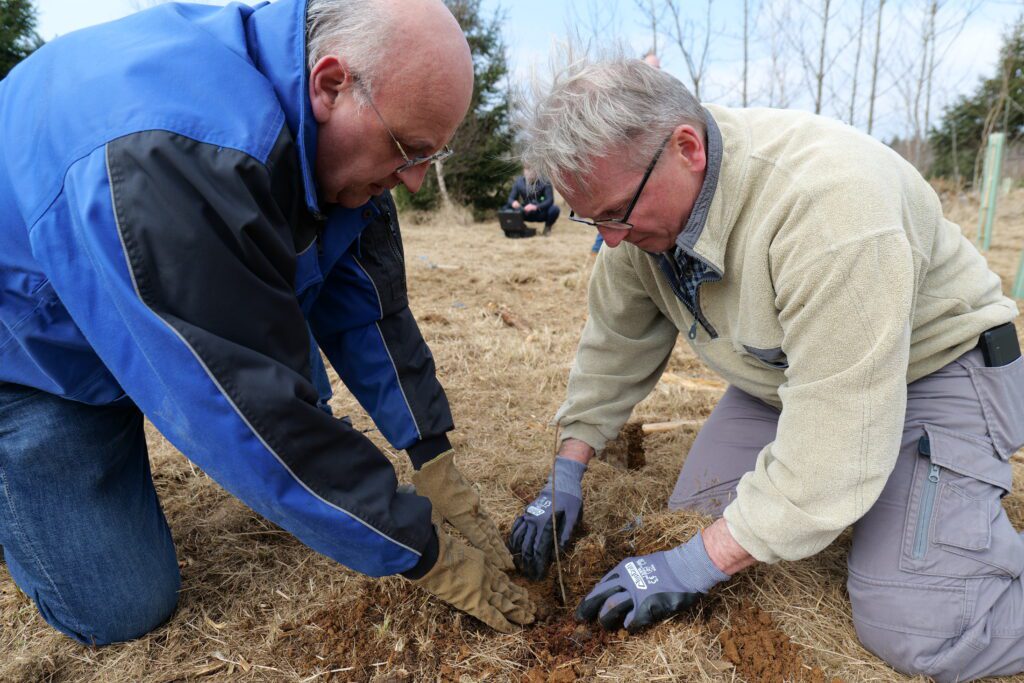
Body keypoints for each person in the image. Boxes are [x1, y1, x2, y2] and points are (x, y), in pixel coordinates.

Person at [0, 0, 534, 645]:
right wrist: (421, 549)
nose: (416, 182)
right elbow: (248, 408)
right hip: (32, 351)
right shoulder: (172, 158)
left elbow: (367, 305)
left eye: (431, 158)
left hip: (156, 283)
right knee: (120, 608)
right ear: (330, 83)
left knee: (289, 398)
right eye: (408, 151)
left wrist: (430, 455)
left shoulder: (336, 142)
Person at [508, 53, 1024, 683]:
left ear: (687, 148)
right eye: (594, 220)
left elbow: (837, 440)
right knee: (696, 516)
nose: (609, 238)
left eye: (616, 214)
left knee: (919, 628)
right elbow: (614, 343)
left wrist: (698, 564)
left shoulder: (829, 210)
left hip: (938, 371)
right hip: (788, 377)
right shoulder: (642, 211)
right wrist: (567, 469)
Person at [591, 50, 660, 257]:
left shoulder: (664, 101)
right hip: (625, 171)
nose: (656, 73)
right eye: (651, 68)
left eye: (658, 69)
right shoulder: (627, 99)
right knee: (614, 211)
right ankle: (598, 249)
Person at [506, 172, 561, 236]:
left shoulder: (545, 182)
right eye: (527, 170)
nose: (530, 173)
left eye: (533, 171)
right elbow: (510, 198)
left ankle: (547, 228)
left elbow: (550, 200)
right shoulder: (519, 182)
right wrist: (513, 202)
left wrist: (536, 207)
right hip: (524, 211)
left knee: (554, 209)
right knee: (506, 208)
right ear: (524, 170)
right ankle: (520, 227)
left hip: (541, 212)